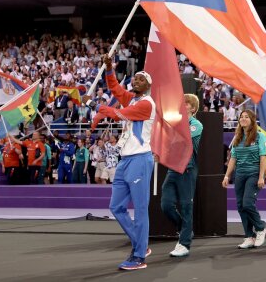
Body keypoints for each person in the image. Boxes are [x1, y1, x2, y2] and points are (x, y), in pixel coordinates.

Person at [87, 55, 156, 270]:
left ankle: (139, 257)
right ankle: (141, 244)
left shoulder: (146, 104)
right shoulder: (133, 99)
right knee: (116, 206)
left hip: (140, 159)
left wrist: (99, 109)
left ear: (148, 86)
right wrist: (108, 68)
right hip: (125, 160)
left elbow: (118, 114)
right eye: (134, 78)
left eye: (140, 80)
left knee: (141, 209)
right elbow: (114, 87)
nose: (135, 81)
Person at [161, 94, 203, 257]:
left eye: (186, 104)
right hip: (173, 169)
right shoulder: (175, 123)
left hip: (187, 169)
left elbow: (182, 139)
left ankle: (184, 244)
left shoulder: (196, 125)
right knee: (166, 205)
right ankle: (184, 229)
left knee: (186, 206)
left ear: (192, 108)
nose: (182, 105)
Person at [222, 110, 266, 249]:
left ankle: (260, 228)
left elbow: (263, 156)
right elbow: (233, 158)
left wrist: (261, 176)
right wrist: (227, 175)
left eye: (246, 117)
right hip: (239, 175)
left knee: (248, 204)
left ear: (252, 120)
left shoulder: (259, 136)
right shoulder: (237, 137)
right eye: (241, 117)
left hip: (254, 173)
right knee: (241, 206)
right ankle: (249, 236)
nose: (243, 119)